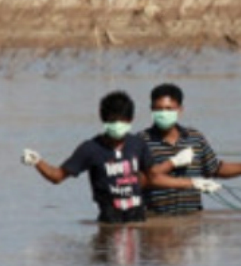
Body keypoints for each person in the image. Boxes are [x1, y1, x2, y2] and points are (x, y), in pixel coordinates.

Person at [21, 90, 220, 223]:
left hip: (138, 219)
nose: (117, 126)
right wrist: (37, 161)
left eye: (122, 121)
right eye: (112, 121)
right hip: (109, 221)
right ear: (103, 119)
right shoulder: (90, 149)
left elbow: (154, 177)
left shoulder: (137, 144)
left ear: (130, 120)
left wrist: (194, 183)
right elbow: (57, 176)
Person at [140, 83, 241, 216]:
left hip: (192, 218)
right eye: (158, 109)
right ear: (151, 110)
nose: (163, 113)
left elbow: (215, 169)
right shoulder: (141, 141)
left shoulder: (194, 138)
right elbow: (140, 181)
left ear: (180, 110)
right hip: (155, 219)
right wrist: (175, 166)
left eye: (169, 109)